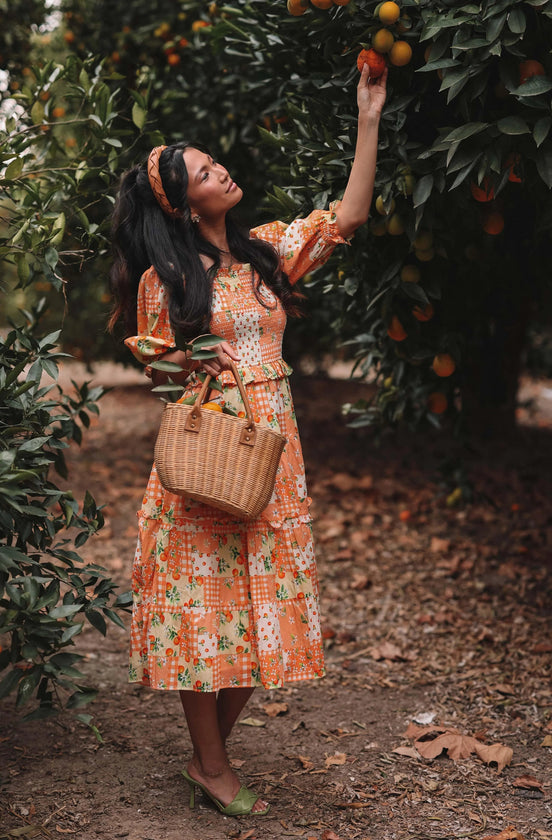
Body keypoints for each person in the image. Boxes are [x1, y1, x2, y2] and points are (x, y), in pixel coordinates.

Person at [109, 63, 387, 817]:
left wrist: (367, 116)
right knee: (205, 608)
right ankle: (211, 764)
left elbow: (347, 218)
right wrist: (192, 359)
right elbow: (156, 367)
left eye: (213, 161)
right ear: (182, 203)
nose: (220, 170)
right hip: (208, 456)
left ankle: (208, 758)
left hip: (274, 454)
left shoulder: (264, 250)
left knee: (268, 605)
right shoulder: (167, 278)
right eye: (203, 172)